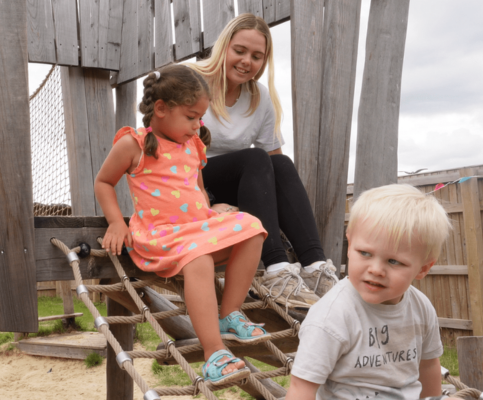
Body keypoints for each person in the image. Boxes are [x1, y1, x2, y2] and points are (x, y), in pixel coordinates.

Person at [94, 64, 271, 385]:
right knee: (199, 257)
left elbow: (197, 188)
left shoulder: (194, 145)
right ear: (161, 109)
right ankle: (214, 354)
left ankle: (229, 314)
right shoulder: (133, 144)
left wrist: (210, 212)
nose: (197, 124)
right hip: (159, 236)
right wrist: (116, 222)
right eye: (191, 117)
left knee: (253, 228)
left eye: (200, 118)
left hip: (195, 231)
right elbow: (104, 182)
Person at [187, 13, 337, 306]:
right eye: (240, 51)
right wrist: (203, 202)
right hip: (191, 183)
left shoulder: (259, 96)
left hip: (240, 184)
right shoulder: (193, 82)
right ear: (224, 47)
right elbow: (166, 150)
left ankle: (316, 267)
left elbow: (274, 163)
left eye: (257, 56)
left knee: (280, 163)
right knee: (255, 158)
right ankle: (277, 270)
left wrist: (279, 213)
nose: (247, 61)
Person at [286, 184, 453, 400]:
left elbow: (429, 366)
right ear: (350, 243)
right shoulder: (331, 317)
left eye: (394, 261)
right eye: (365, 253)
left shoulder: (420, 308)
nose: (375, 270)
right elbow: (301, 389)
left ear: (422, 269)